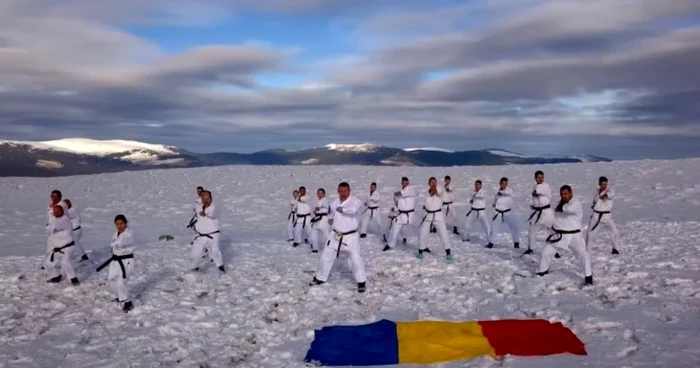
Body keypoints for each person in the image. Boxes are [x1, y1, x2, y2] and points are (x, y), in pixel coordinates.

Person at [310, 182, 367, 293]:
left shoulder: (355, 201)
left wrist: (342, 209)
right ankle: (320, 278)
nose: (343, 193)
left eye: (345, 191)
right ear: (338, 191)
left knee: (355, 259)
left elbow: (353, 210)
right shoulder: (335, 202)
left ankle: (361, 282)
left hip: (351, 236)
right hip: (335, 235)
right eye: (341, 191)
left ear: (349, 190)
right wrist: (331, 218)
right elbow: (331, 212)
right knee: (326, 256)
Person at [536, 185, 593, 286]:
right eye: (562, 194)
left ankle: (588, 278)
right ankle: (542, 272)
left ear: (571, 193)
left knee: (583, 255)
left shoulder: (576, 203)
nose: (563, 196)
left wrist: (559, 207)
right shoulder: (560, 203)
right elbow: (554, 217)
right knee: (545, 252)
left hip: (574, 237)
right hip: (559, 236)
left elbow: (569, 209)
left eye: (566, 193)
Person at [100, 214, 136, 313]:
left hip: (126, 262)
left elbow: (122, 242)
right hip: (115, 261)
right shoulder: (115, 234)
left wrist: (114, 244)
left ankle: (128, 302)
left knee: (121, 282)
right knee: (111, 280)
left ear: (126, 223)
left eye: (121, 223)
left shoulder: (129, 234)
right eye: (117, 224)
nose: (119, 226)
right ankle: (120, 297)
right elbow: (114, 246)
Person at [417, 177, 452, 260]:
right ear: (429, 183)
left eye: (434, 182)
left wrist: (434, 190)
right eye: (431, 182)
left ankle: (448, 253)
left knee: (443, 235)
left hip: (438, 215)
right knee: (423, 234)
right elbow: (426, 200)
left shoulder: (440, 189)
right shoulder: (426, 192)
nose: (433, 183)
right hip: (428, 215)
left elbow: (435, 192)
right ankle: (420, 252)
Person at [523, 170, 557, 257]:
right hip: (537, 213)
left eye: (542, 177)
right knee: (532, 231)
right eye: (539, 177)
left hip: (546, 213)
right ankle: (531, 248)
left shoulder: (545, 186)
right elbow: (536, 198)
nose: (541, 179)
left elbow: (537, 192)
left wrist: (535, 192)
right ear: (535, 178)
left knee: (552, 232)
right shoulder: (535, 186)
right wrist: (534, 206)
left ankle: (555, 250)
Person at [190, 191, 225, 273]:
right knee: (195, 254)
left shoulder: (215, 208)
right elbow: (197, 201)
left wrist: (205, 213)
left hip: (213, 236)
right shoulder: (199, 206)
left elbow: (213, 214)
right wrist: (200, 192)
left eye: (208, 198)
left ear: (211, 198)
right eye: (204, 199)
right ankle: (193, 268)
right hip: (200, 236)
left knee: (215, 253)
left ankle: (221, 269)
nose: (206, 200)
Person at [44, 204, 79, 285]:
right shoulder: (54, 219)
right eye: (54, 212)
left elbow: (52, 227)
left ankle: (74, 279)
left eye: (58, 212)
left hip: (67, 247)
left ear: (63, 212)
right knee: (48, 263)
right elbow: (48, 229)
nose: (56, 214)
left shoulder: (64, 220)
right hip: (57, 249)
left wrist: (49, 225)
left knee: (65, 262)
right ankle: (56, 276)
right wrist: (49, 225)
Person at [585, 176, 620, 254]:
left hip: (607, 216)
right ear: (599, 184)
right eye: (602, 184)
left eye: (605, 184)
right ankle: (587, 250)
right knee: (590, 233)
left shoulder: (610, 190)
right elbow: (595, 201)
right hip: (596, 216)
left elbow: (607, 195)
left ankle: (615, 249)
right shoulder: (596, 191)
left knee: (614, 232)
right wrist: (595, 203)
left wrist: (603, 196)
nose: (604, 186)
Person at [384, 177, 417, 251]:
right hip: (401, 215)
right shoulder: (400, 193)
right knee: (394, 229)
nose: (404, 184)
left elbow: (404, 193)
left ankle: (422, 246)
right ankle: (390, 245)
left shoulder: (411, 189)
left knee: (417, 231)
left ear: (408, 183)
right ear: (401, 183)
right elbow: (398, 204)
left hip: (410, 215)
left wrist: (397, 193)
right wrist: (394, 209)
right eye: (403, 182)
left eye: (406, 182)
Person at [485, 178, 520, 249]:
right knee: (494, 229)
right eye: (503, 183)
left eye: (505, 183)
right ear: (500, 183)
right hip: (498, 213)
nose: (504, 185)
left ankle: (516, 243)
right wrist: (494, 204)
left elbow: (507, 193)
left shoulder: (509, 191)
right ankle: (491, 243)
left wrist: (501, 192)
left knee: (514, 228)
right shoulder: (497, 193)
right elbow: (495, 200)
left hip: (508, 213)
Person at [309, 188, 330, 253]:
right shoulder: (318, 201)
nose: (320, 195)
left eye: (321, 193)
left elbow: (324, 206)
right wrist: (315, 211)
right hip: (317, 219)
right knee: (313, 234)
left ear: (324, 194)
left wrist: (319, 207)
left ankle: (330, 248)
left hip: (323, 219)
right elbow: (316, 209)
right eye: (319, 193)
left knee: (326, 235)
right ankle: (315, 248)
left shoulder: (325, 200)